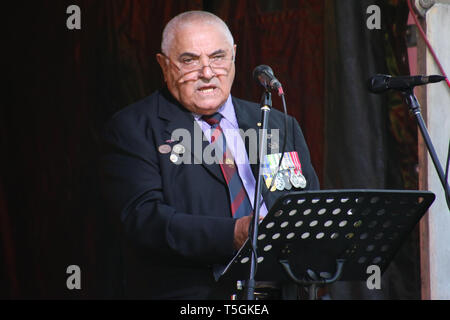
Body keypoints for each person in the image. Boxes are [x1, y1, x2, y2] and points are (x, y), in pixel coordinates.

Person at [100, 10, 319, 299]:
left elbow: (308, 206)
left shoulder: (277, 123)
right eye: (189, 60)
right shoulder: (134, 127)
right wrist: (235, 233)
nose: (206, 72)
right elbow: (145, 221)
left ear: (234, 57)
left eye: (217, 57)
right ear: (164, 66)